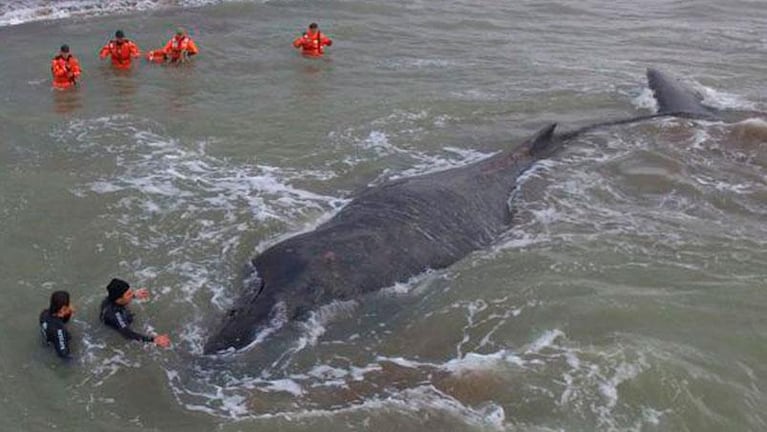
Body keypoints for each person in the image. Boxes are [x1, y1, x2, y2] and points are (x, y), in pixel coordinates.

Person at [99, 278, 170, 348]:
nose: (133, 293)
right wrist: (154, 339)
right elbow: (127, 334)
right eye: (129, 294)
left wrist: (134, 295)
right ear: (119, 299)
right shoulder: (116, 315)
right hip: (115, 325)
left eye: (131, 291)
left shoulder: (112, 298)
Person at [39, 291, 74, 360]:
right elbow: (63, 353)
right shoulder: (59, 329)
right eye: (69, 304)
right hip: (56, 344)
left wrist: (69, 313)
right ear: (63, 309)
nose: (71, 305)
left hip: (48, 339)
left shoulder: (44, 313)